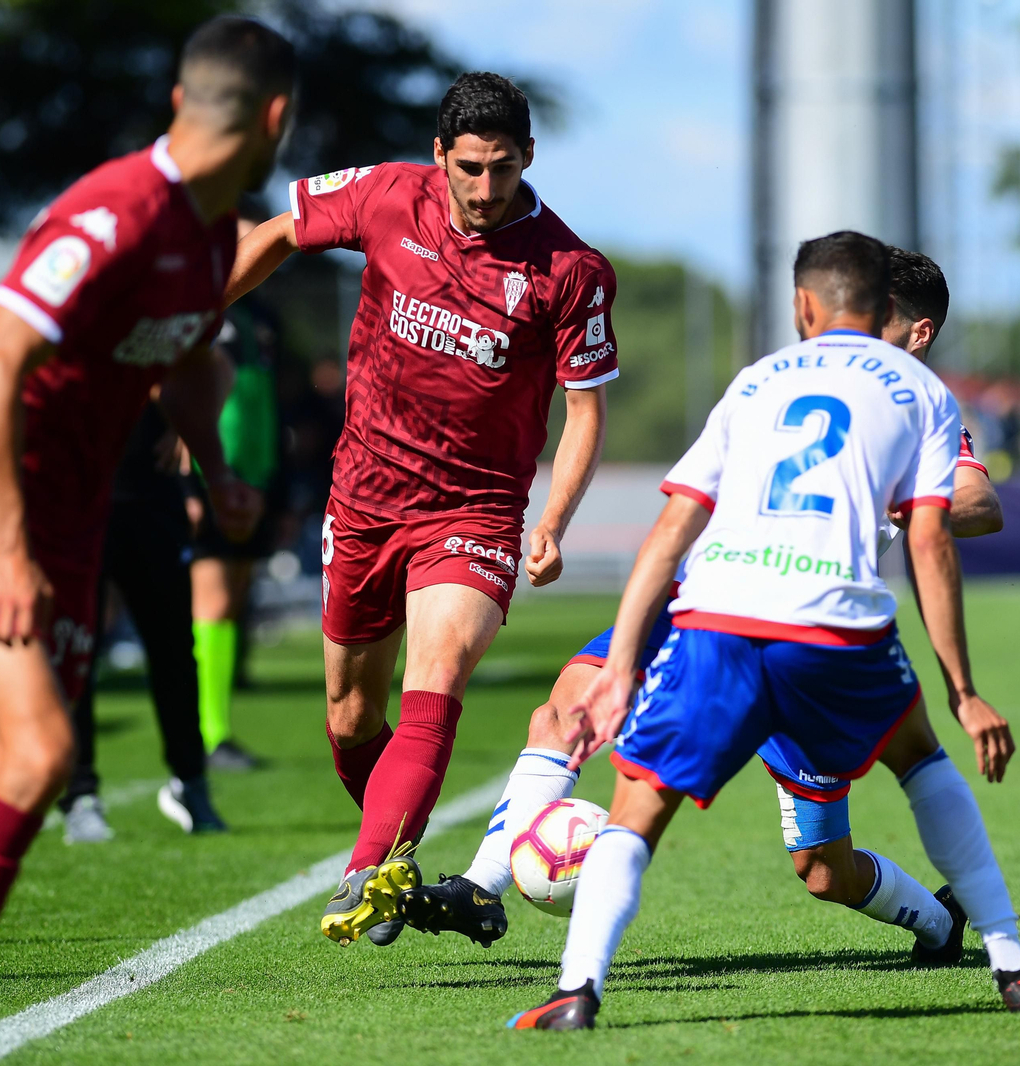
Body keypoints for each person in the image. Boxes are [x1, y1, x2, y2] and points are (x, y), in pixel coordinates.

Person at [0, 19, 293, 1065]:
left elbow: (189, 363)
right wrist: (5, 552)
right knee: (42, 748)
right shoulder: (113, 215)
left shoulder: (214, 235)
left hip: (70, 513)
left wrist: (213, 464)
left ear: (188, 99)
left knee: (23, 766)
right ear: (277, 119)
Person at [508, 232, 1020, 1031]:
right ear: (884, 309)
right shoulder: (918, 393)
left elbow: (672, 525)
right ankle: (1015, 967)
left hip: (719, 623)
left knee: (638, 808)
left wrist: (625, 665)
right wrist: (964, 690)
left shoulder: (756, 382)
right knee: (920, 763)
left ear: (802, 306)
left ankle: (577, 991)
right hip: (834, 632)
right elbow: (931, 543)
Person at [412, 249, 1010, 960]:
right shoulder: (778, 381)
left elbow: (978, 500)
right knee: (567, 707)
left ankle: (939, 923)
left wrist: (886, 493)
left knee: (823, 870)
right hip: (705, 600)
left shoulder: (914, 406)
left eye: (877, 318)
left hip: (808, 630)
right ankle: (482, 890)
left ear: (918, 334)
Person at [226, 72, 617, 947]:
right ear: (439, 155)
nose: (486, 189)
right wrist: (189, 321)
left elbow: (585, 409)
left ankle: (366, 874)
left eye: (505, 169)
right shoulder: (384, 194)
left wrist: (550, 520)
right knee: (349, 718)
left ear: (528, 159)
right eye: (471, 168)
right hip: (364, 497)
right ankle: (403, 852)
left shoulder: (571, 270)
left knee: (433, 677)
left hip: (474, 513)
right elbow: (283, 233)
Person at [57, 396, 228, 844]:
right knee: (76, 650)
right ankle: (79, 795)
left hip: (152, 490)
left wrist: (187, 422)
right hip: (77, 496)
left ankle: (190, 782)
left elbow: (207, 368)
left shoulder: (164, 327)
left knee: (173, 647)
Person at [188, 303, 281, 771]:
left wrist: (265, 479)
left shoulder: (257, 318)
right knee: (213, 601)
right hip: (210, 477)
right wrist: (191, 482)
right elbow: (182, 393)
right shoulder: (200, 304)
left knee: (232, 598)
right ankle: (209, 732)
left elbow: (260, 402)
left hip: (249, 478)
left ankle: (214, 729)